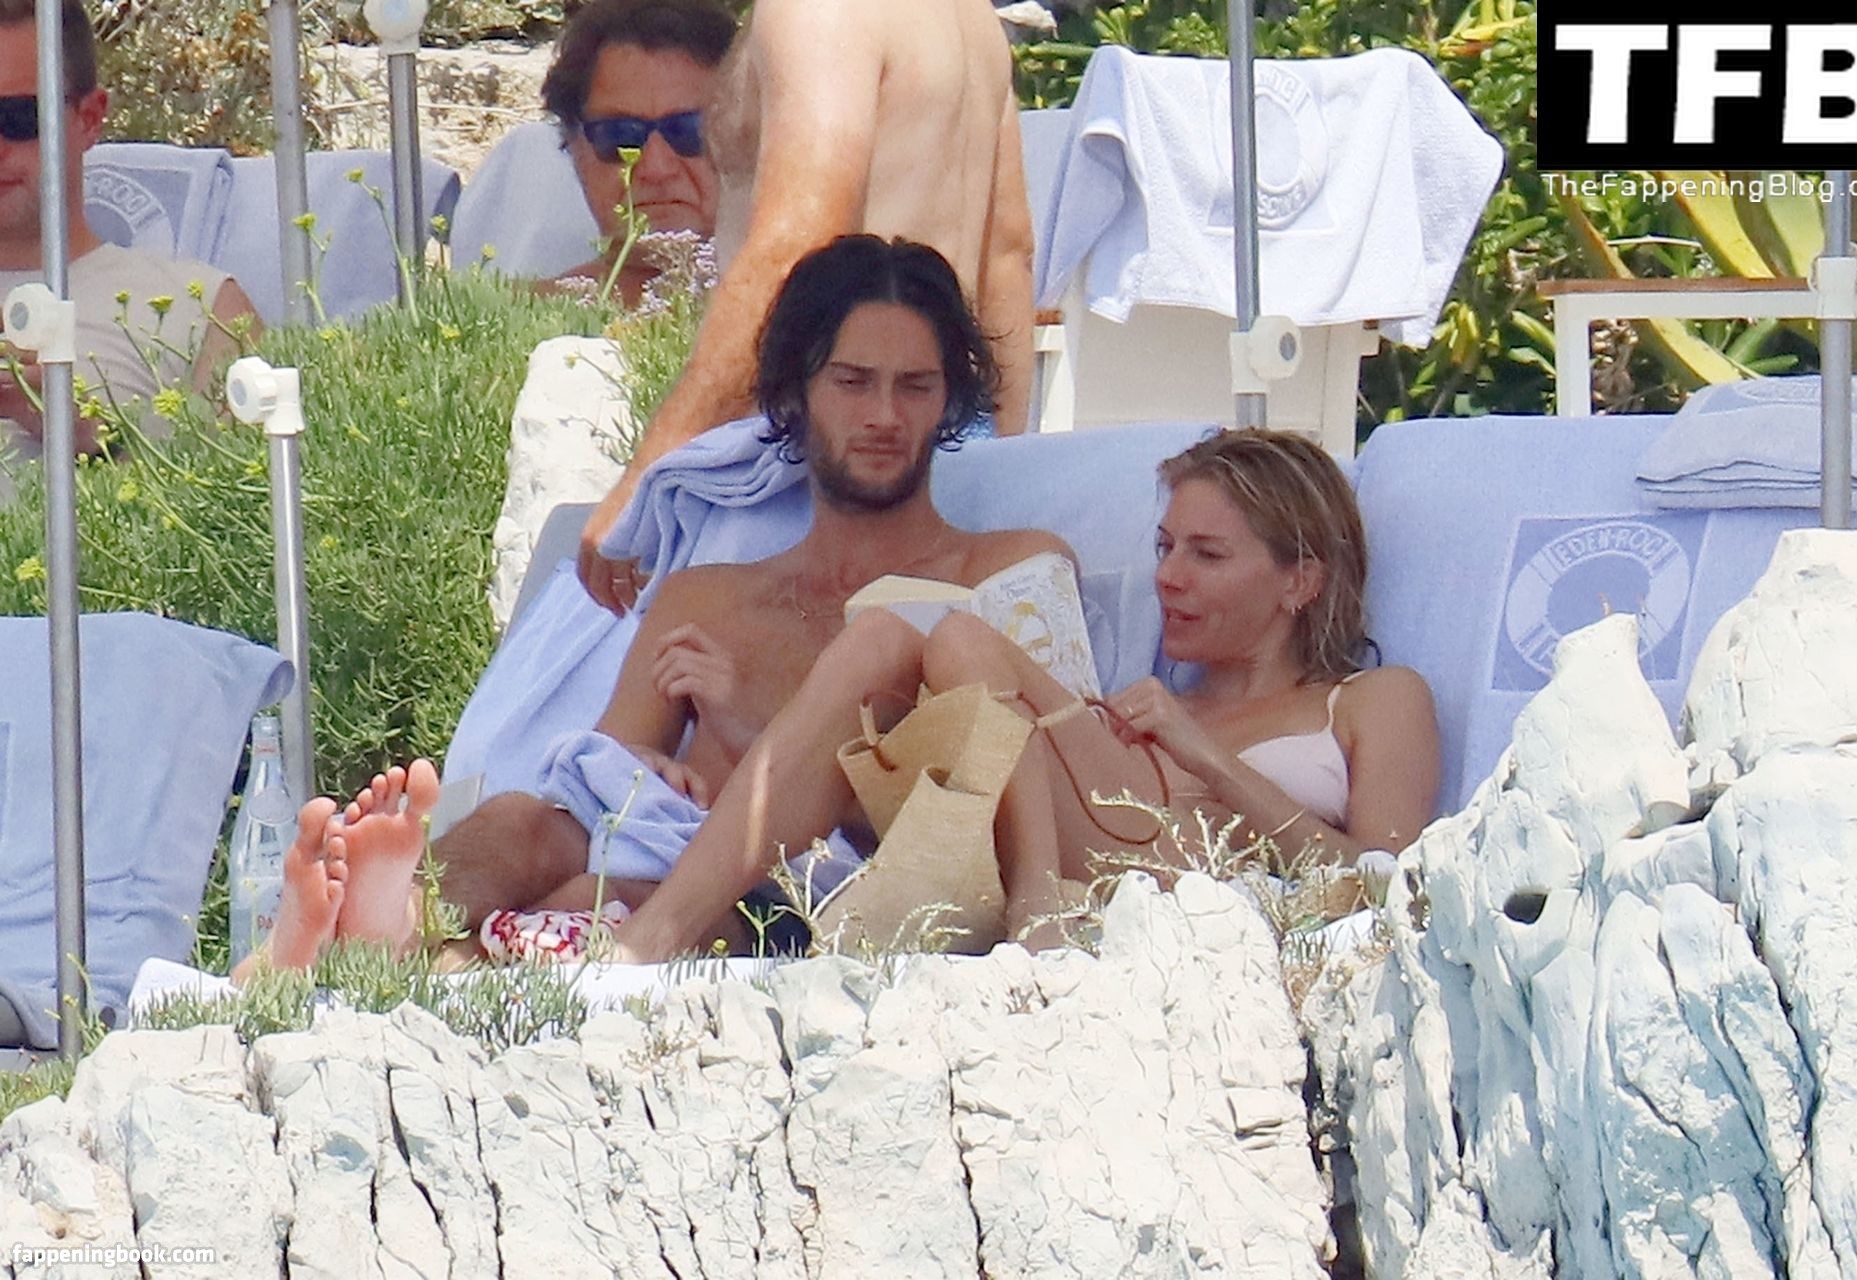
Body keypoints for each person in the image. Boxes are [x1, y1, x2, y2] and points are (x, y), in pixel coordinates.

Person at [248, 234, 1069, 973]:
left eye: (916, 386)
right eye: (853, 382)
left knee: (598, 899)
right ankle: (382, 926)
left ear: (948, 401)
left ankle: (404, 953)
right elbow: (601, 787)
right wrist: (649, 768)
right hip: (638, 865)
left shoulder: (1002, 575)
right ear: (795, 393)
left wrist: (745, 730)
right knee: (526, 823)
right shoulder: (704, 601)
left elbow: (1034, 816)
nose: (885, 416)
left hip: (798, 901)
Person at [597, 428, 1441, 961]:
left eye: (1207, 556)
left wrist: (1207, 760)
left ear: (1301, 580)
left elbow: (1383, 884)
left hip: (1187, 881)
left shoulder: (1373, 699)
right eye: (1165, 547)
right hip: (1081, 838)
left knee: (963, 640)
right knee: (885, 641)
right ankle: (655, 935)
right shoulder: (1154, 700)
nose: (1169, 577)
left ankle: (1038, 906)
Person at [573, 0, 1038, 615]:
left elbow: (794, 248)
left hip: (828, 465)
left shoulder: (818, 11)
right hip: (942, 435)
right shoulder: (971, 18)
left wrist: (645, 480)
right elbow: (1008, 253)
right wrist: (995, 469)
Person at [0, 0, 256, 458]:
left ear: (89, 118)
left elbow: (249, 489)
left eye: (19, 118)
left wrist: (86, 432)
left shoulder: (205, 310)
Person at [536, 0, 733, 308]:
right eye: (619, 134)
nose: (656, 168)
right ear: (573, 147)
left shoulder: (805, 315)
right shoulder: (525, 318)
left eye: (689, 129)